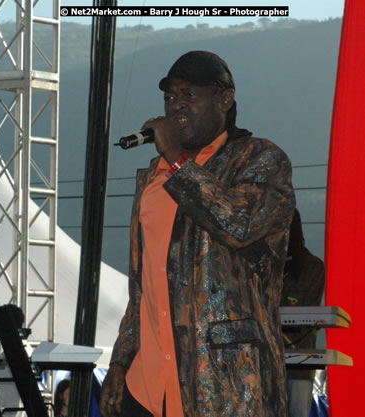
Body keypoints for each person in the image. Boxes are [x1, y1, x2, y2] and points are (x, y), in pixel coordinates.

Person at [100, 50, 296, 417]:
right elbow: (144, 285)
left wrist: (175, 157)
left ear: (225, 98)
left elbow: (236, 225)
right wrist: (121, 361)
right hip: (147, 385)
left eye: (189, 94)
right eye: (170, 96)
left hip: (223, 386)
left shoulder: (261, 160)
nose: (176, 106)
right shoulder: (153, 176)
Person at [281, 209, 326, 417]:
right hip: (268, 363)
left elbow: (306, 320)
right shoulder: (266, 265)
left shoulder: (313, 267)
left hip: (299, 366)